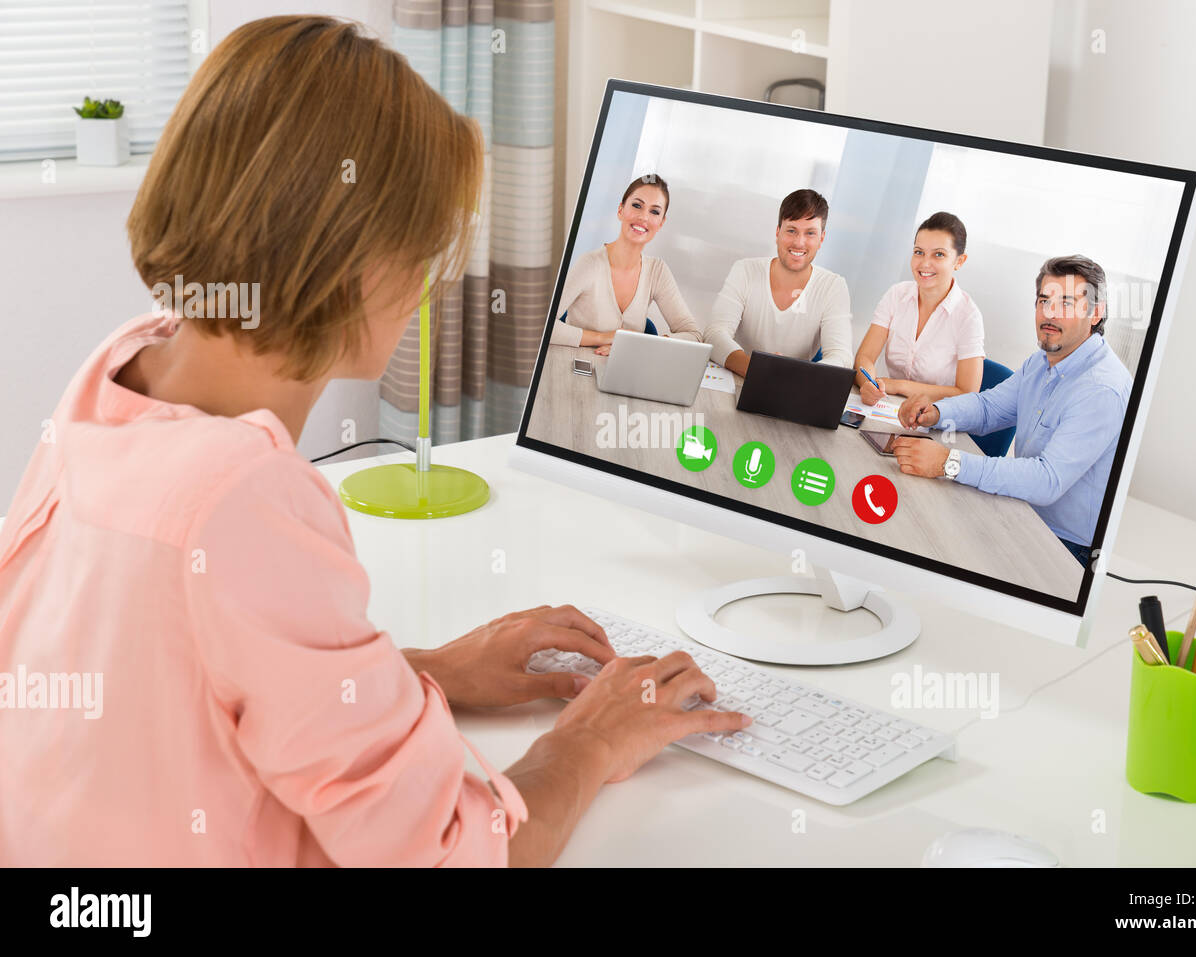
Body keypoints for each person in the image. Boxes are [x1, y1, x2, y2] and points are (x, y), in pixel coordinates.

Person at [0, 16, 748, 868]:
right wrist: (587, 741)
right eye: (426, 250)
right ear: (363, 265)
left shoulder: (116, 375)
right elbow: (454, 853)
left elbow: (180, 661)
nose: (432, 284)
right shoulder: (243, 495)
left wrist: (422, 669)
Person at [892, 255, 1132, 568]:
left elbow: (1046, 480)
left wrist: (948, 463)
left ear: (1095, 313)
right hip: (1022, 510)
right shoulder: (1043, 361)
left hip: (1065, 547)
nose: (1049, 313)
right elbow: (990, 408)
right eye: (1044, 300)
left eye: (1066, 303)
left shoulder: (1101, 390)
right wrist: (936, 411)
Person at [705, 188, 853, 376]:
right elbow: (715, 334)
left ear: (821, 238)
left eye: (810, 233)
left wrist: (794, 375)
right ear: (778, 232)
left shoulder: (833, 286)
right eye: (791, 230)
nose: (799, 242)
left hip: (797, 388)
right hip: (739, 377)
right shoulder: (745, 270)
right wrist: (757, 369)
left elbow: (841, 356)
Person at [552, 174, 702, 356]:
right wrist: (605, 337)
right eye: (637, 205)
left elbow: (693, 335)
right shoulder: (590, 264)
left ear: (661, 223)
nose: (643, 217)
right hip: (572, 367)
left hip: (625, 373)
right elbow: (541, 325)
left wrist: (641, 344)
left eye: (654, 211)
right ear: (620, 210)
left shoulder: (657, 271)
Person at [852, 211, 984, 403]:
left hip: (935, 420)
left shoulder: (968, 316)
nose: (925, 263)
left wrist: (898, 385)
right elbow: (865, 357)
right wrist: (869, 383)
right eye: (919, 252)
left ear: (959, 261)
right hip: (886, 407)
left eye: (939, 254)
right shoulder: (897, 295)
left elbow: (967, 393)